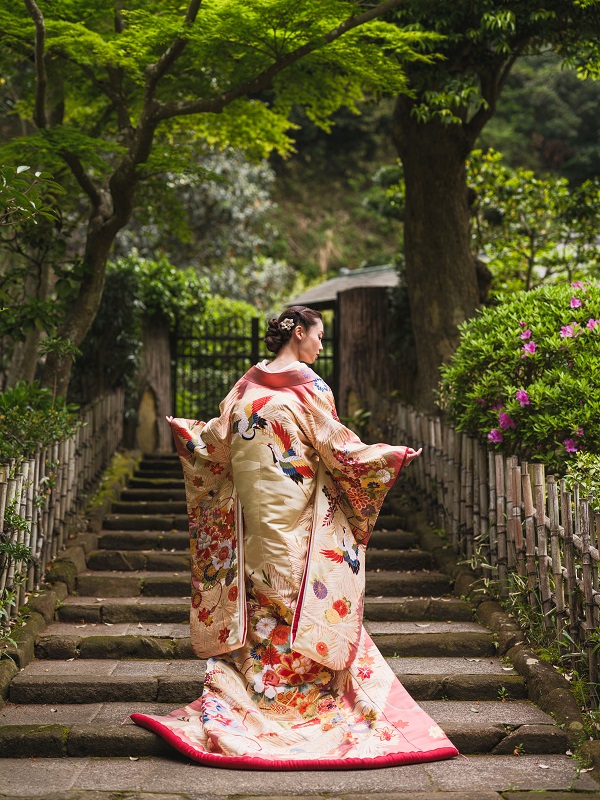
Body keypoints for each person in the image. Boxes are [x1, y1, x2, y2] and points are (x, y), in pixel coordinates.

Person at [131, 306, 458, 769]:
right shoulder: (311, 388)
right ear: (298, 332)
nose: (322, 344)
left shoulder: (245, 388)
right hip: (288, 521)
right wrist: (386, 457)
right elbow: (338, 448)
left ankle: (258, 698)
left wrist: (190, 436)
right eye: (319, 335)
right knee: (296, 597)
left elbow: (215, 443)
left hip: (259, 522)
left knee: (271, 599)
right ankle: (298, 703)